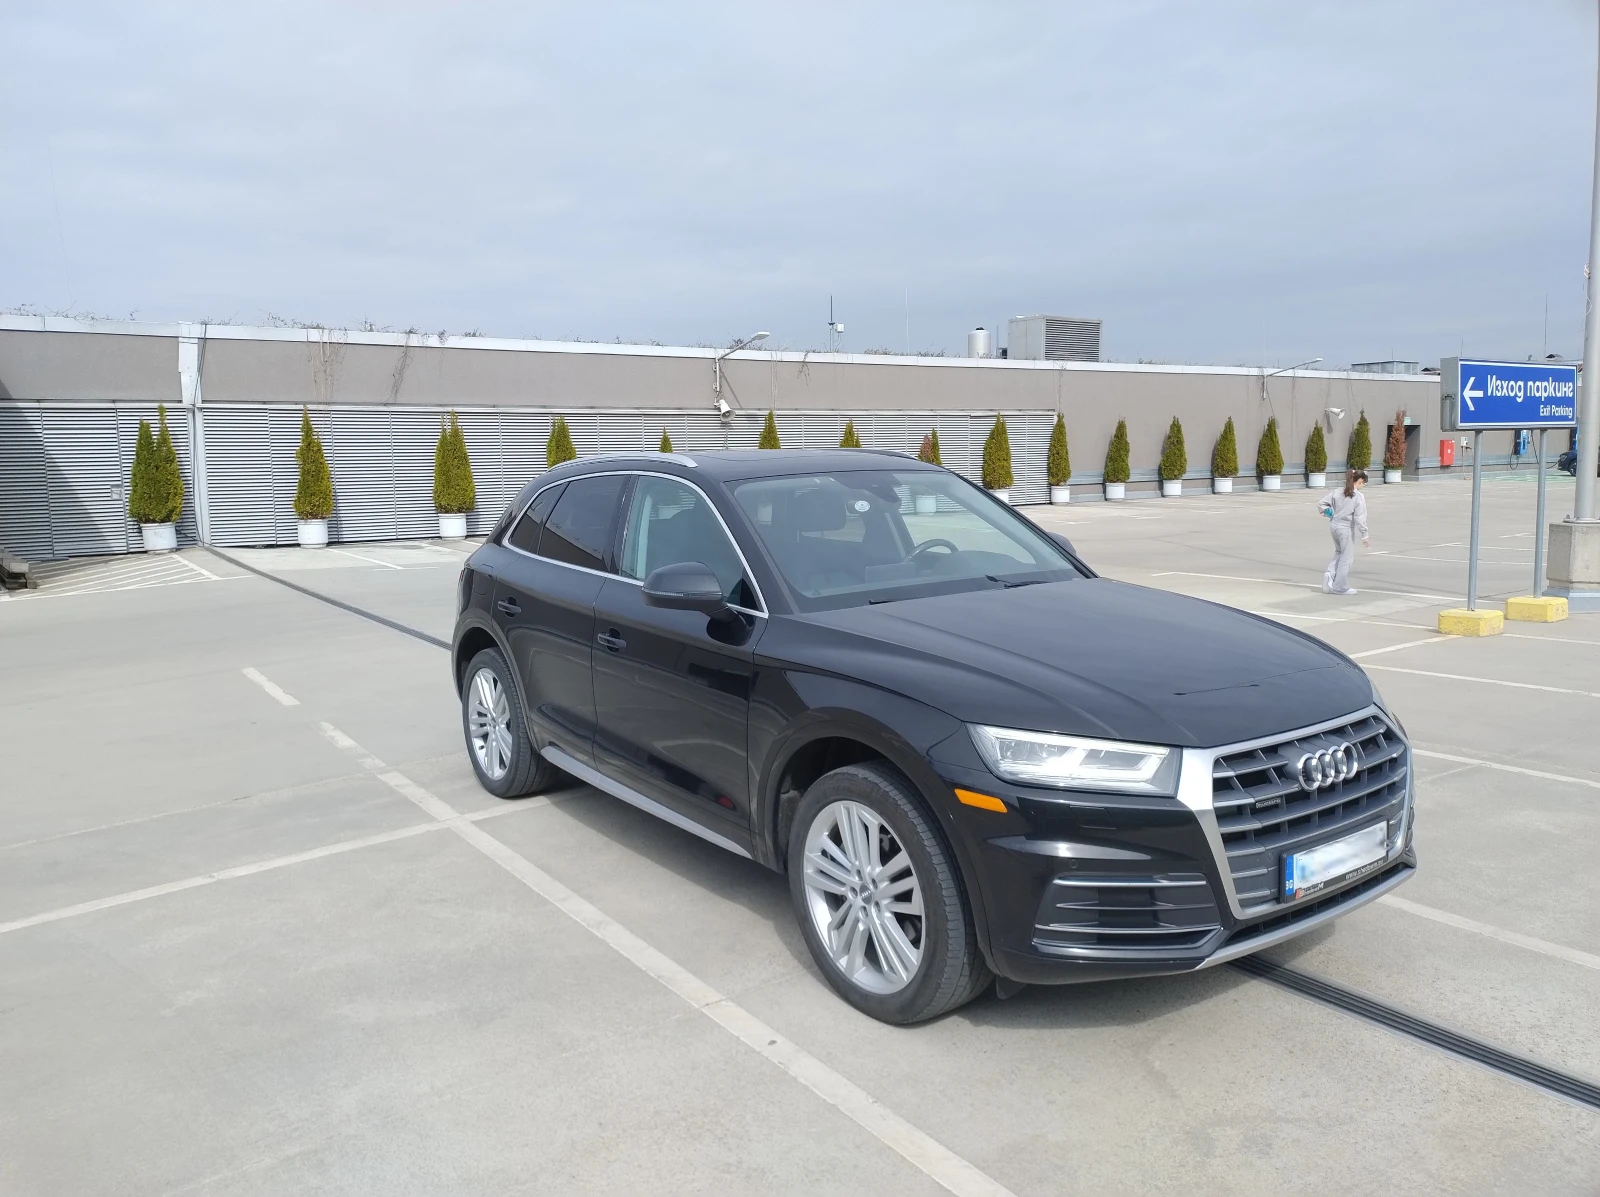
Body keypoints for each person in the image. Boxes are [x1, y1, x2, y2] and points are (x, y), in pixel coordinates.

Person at [1319, 469, 1369, 595]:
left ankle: (1330, 574)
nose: (1363, 486)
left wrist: (1328, 512)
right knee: (1346, 558)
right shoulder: (1358, 497)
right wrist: (1365, 534)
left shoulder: (1338, 491)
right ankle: (1340, 586)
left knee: (1339, 552)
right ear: (1360, 481)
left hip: (1334, 525)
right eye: (1363, 483)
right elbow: (1360, 517)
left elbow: (1321, 504)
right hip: (1345, 528)